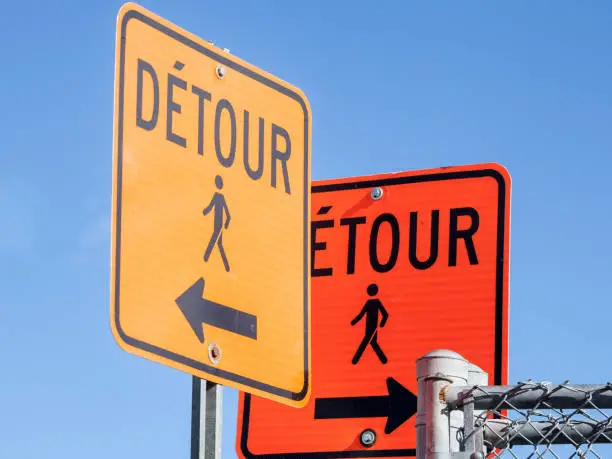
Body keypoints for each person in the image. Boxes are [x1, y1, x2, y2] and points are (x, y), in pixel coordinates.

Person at [350, 283, 389, 364]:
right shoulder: (369, 302)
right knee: (372, 343)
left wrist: (382, 324)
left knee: (365, 342)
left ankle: (355, 360)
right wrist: (353, 322)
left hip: (373, 327)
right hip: (368, 327)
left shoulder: (376, 302)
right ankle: (384, 359)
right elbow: (362, 314)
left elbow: (385, 314)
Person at [202, 175, 231, 272]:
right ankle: (226, 266)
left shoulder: (218, 197)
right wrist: (205, 211)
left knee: (214, 239)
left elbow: (227, 213)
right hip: (218, 224)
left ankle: (206, 256)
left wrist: (227, 223)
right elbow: (210, 207)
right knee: (219, 243)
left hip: (219, 225)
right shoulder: (220, 197)